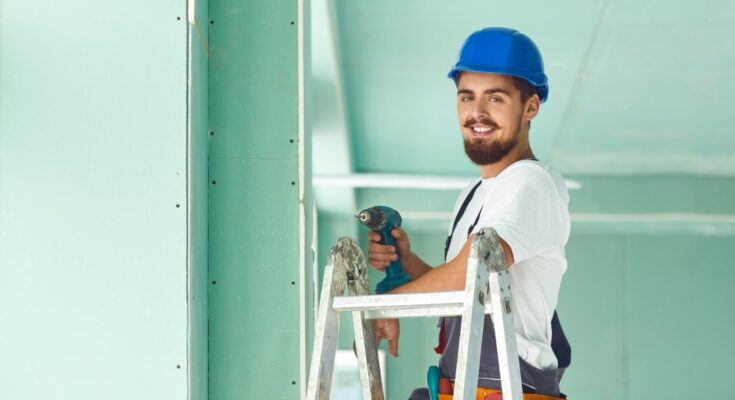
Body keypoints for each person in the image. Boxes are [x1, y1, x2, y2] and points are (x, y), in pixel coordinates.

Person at [367, 27, 572, 399]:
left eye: (495, 99)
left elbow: (471, 271)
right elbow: (469, 293)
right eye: (466, 98)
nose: (476, 113)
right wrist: (408, 263)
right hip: (463, 385)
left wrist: (386, 306)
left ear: (530, 107)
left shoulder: (530, 182)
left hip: (506, 389)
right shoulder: (474, 194)